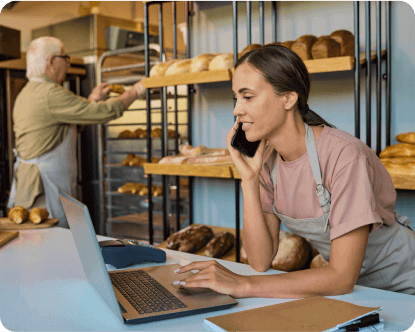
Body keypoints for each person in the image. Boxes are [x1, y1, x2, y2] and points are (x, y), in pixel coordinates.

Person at [173, 44, 415, 297]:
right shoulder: (267, 162)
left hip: (404, 286)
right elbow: (260, 260)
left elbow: (341, 277)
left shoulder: (344, 156)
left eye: (248, 97)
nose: (236, 110)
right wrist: (249, 180)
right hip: (355, 291)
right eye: (236, 98)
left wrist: (244, 285)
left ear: (288, 98)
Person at [7, 36, 146, 228]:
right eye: (65, 59)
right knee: (52, 248)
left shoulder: (29, 92)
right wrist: (137, 90)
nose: (67, 65)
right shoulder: (50, 94)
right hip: (43, 193)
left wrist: (93, 98)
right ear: (51, 61)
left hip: (32, 189)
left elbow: (67, 126)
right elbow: (104, 112)